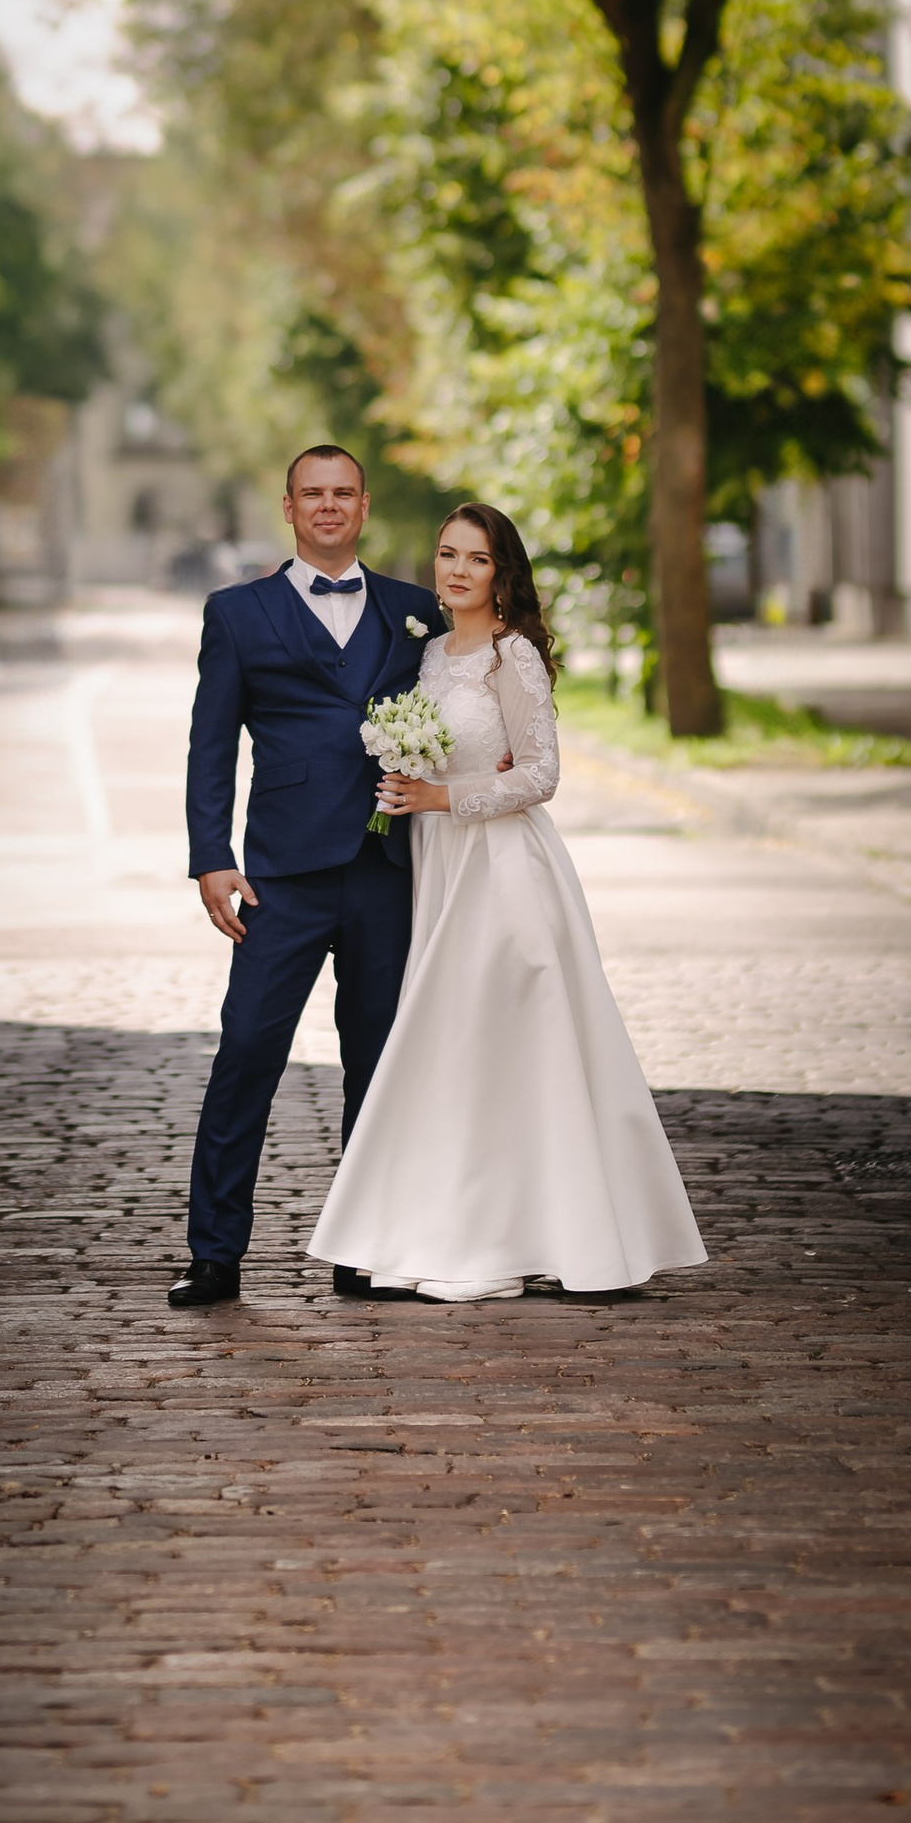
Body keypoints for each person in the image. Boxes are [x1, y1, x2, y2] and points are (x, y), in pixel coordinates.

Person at [307, 502, 707, 1303]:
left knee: (518, 1042)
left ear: (503, 573)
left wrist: (441, 796)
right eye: (446, 553)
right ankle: (462, 1223)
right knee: (458, 1045)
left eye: (476, 559)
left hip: (503, 871)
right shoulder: (429, 658)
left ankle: (556, 1234)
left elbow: (540, 777)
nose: (455, 571)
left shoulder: (510, 656)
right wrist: (404, 790)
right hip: (442, 871)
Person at [170, 444, 446, 1309]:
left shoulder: (415, 612)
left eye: (343, 495)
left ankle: (365, 1250)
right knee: (248, 1051)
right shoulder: (238, 612)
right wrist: (211, 856)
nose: (328, 508)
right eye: (311, 495)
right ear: (289, 509)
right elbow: (212, 741)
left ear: (363, 508)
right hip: (280, 876)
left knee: (378, 1060)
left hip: (383, 869)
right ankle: (215, 1255)